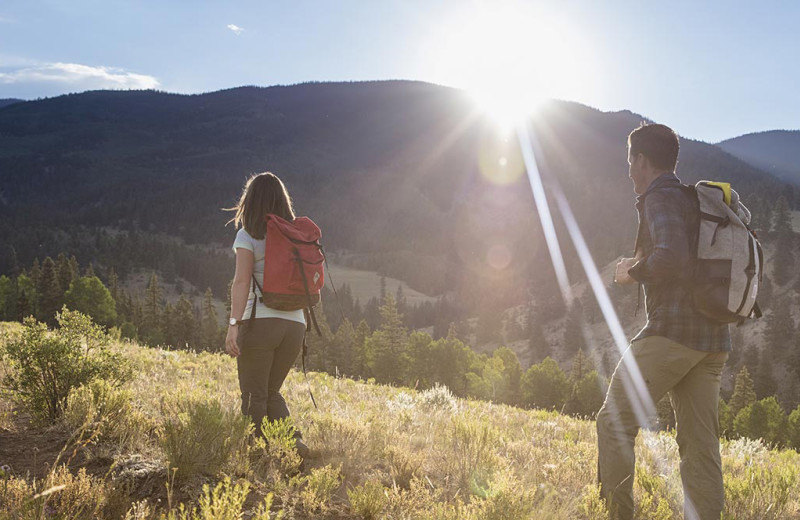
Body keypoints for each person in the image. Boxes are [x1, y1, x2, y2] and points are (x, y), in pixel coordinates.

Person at [597, 123, 730, 520]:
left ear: (641, 160)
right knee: (700, 444)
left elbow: (671, 257)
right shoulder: (694, 200)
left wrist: (631, 272)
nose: (628, 172)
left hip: (673, 334)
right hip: (713, 341)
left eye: (630, 161)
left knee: (614, 422)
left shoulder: (660, 197)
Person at [225, 171, 309, 457]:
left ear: (250, 201)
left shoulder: (248, 235)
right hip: (296, 325)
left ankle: (253, 456)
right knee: (270, 392)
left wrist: (233, 324)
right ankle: (295, 445)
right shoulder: (296, 235)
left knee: (253, 395)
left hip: (261, 322)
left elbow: (241, 281)